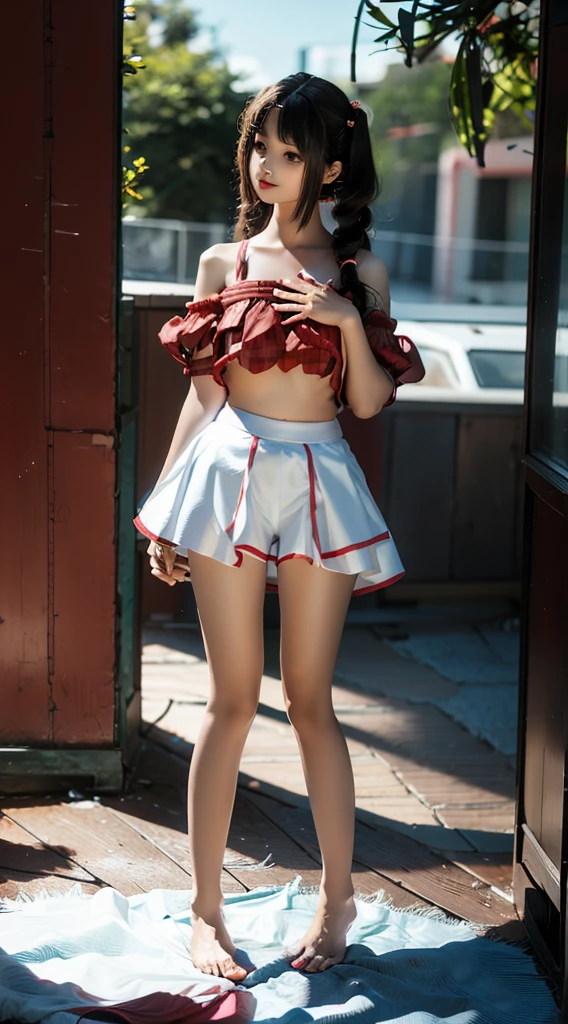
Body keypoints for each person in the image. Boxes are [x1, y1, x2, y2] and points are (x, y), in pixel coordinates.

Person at [134, 72, 424, 982]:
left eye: (289, 152)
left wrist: (346, 318)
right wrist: (166, 511)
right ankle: (206, 913)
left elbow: (371, 405)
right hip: (225, 471)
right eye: (260, 145)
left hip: (318, 477)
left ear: (331, 162)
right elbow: (200, 399)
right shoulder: (223, 265)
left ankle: (338, 900)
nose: (267, 165)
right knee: (229, 699)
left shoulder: (360, 269)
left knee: (308, 700)